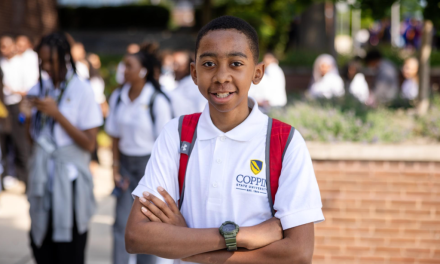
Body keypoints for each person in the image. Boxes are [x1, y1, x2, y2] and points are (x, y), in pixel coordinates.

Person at [125, 16, 324, 264]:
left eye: (236, 63)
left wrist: (186, 242)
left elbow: (298, 253)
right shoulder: (176, 134)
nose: (221, 76)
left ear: (257, 72)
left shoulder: (284, 142)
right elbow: (136, 236)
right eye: (209, 63)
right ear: (194, 73)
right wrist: (241, 236)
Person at [22, 32, 103, 264]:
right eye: (42, 61)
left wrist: (57, 114)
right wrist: (27, 117)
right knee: (41, 245)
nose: (46, 67)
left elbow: (89, 144)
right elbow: (33, 141)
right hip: (43, 177)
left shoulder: (82, 90)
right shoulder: (39, 88)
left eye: (51, 61)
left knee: (69, 248)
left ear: (65, 58)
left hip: (70, 180)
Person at [105, 49, 173, 264]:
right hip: (125, 165)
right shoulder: (118, 96)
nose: (123, 70)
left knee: (148, 226)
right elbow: (114, 136)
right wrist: (115, 168)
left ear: (143, 71)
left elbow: (165, 143)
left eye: (128, 66)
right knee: (121, 224)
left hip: (149, 166)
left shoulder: (157, 100)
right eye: (123, 65)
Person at [0, 35, 30, 189]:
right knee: (3, 145)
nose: (2, 49)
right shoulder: (1, 63)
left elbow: (28, 88)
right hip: (2, 107)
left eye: (5, 46)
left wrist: (14, 90)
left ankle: (25, 179)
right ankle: (4, 180)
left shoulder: (20, 63)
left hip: (16, 105)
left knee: (20, 143)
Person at [170, 50, 207, 116]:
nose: (174, 68)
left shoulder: (195, 87)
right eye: (173, 64)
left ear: (189, 67)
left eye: (177, 65)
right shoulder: (180, 85)